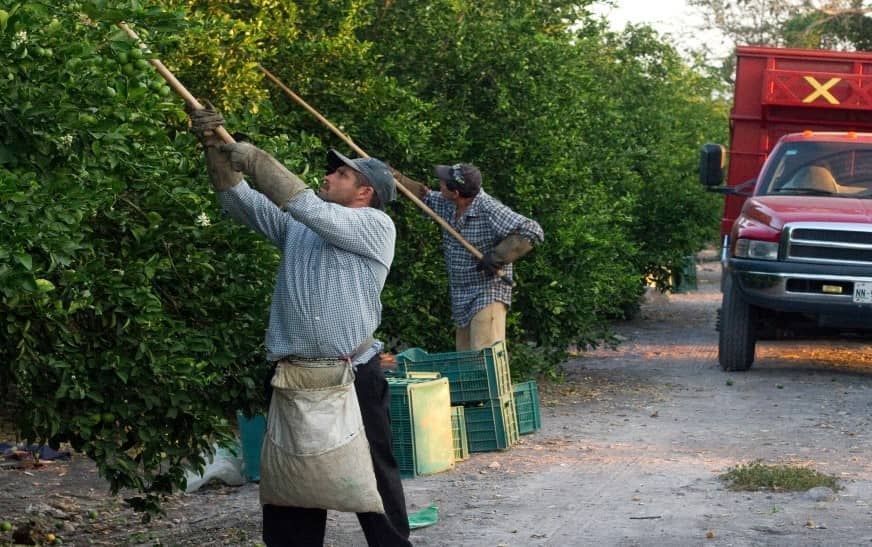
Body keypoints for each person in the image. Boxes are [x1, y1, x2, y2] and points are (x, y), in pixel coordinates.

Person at [188, 106, 412, 547]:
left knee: (373, 476)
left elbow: (306, 203)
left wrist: (254, 159)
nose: (328, 177)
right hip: (294, 375)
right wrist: (215, 147)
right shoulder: (301, 227)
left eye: (340, 175)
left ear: (365, 192)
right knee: (293, 478)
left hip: (352, 375)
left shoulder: (375, 225)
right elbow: (238, 199)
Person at [393, 164, 544, 351]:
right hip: (461, 295)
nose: (439, 185)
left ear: (455, 192)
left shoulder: (488, 209)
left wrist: (498, 256)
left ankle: (492, 382)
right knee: (466, 361)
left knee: (484, 357)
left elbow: (533, 230)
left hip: (488, 291)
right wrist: (395, 177)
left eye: (443, 183)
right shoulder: (448, 203)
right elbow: (423, 197)